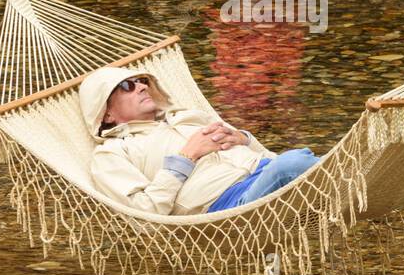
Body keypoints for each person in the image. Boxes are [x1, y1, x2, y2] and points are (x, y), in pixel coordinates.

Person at [79, 64, 319, 217]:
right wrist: (186, 158)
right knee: (293, 164)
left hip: (267, 172)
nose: (141, 87)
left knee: (303, 160)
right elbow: (143, 213)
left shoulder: (186, 116)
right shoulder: (112, 153)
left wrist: (243, 139)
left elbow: (268, 156)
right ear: (106, 113)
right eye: (126, 86)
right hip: (231, 206)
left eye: (142, 81)